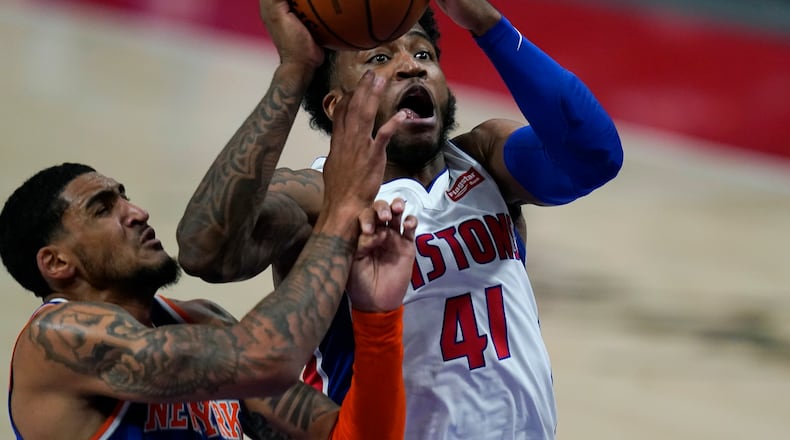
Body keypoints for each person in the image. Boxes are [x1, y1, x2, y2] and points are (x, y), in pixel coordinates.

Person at [178, 0, 624, 438]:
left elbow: (595, 156)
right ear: (337, 106)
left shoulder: (487, 160)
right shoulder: (321, 196)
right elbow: (206, 251)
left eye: (423, 53)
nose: (412, 66)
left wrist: (487, 24)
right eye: (379, 57)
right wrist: (293, 74)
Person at [1, 71, 417, 439]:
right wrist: (340, 212)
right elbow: (267, 357)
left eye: (124, 197)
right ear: (56, 263)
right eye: (102, 208)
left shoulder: (204, 321)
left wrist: (378, 316)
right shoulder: (56, 337)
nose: (136, 212)